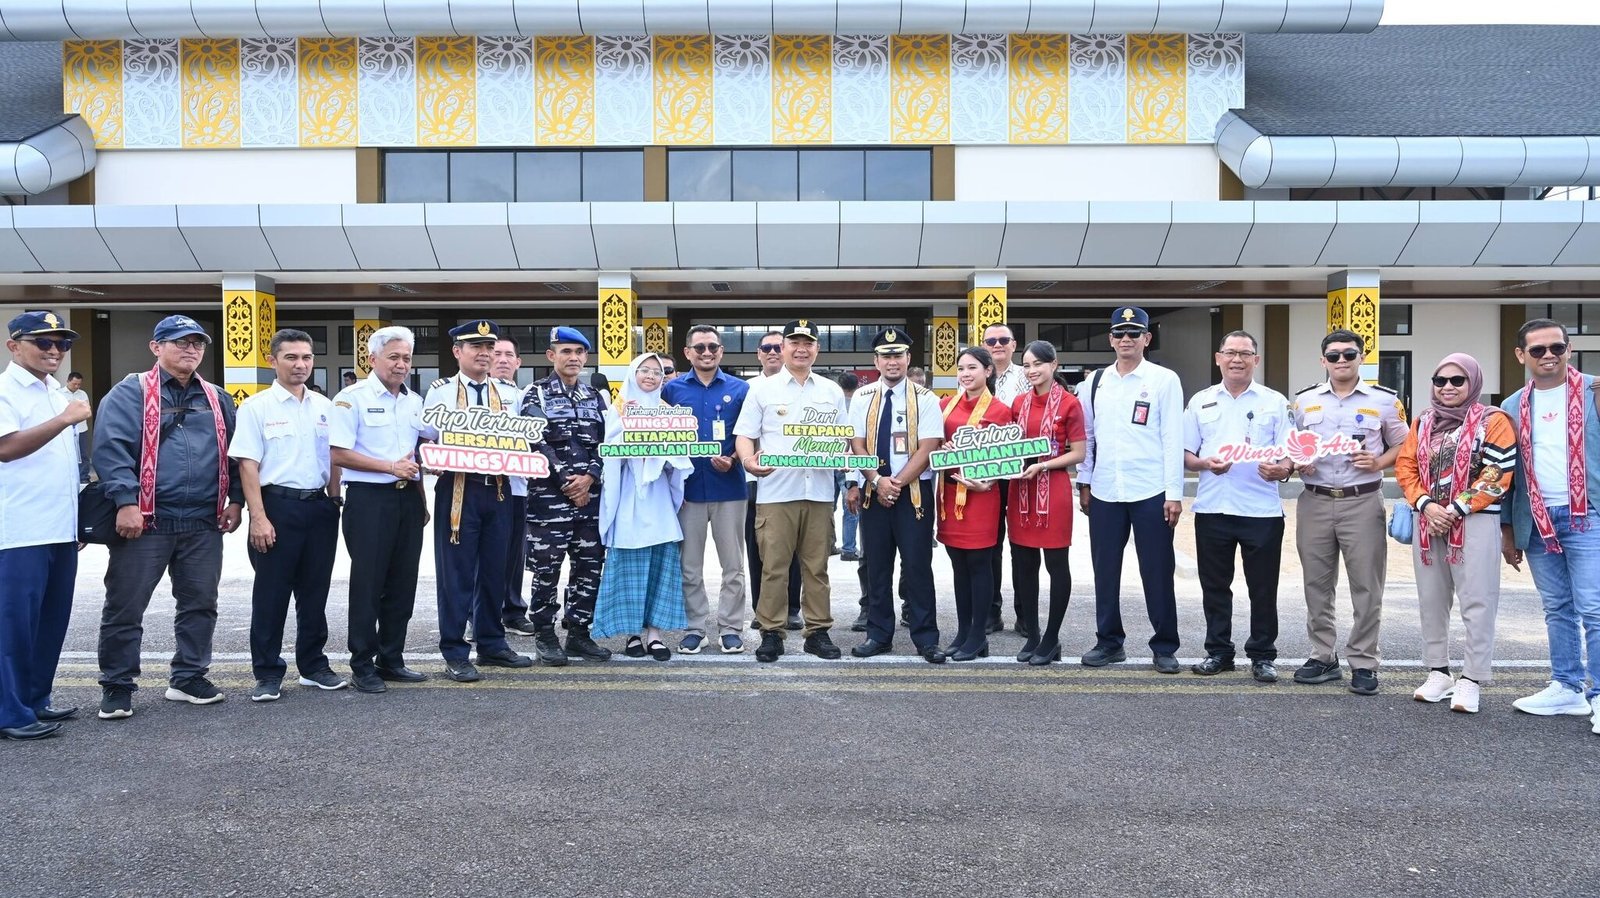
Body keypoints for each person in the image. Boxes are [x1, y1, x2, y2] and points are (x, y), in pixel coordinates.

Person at [92, 315, 244, 719]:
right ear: (156, 347)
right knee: (126, 605)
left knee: (200, 603)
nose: (190, 349)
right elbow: (111, 451)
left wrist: (236, 500)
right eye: (180, 342)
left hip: (202, 522)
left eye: (197, 343)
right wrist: (126, 502)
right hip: (147, 520)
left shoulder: (217, 397)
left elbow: (235, 453)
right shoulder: (130, 393)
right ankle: (117, 685)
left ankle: (188, 676)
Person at [228, 328, 346, 702]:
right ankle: (267, 672)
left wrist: (333, 495)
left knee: (315, 593)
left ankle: (313, 666)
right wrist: (258, 518)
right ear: (273, 360)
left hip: (319, 509)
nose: (300, 365)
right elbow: (248, 466)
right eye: (291, 357)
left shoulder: (326, 407)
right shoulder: (255, 407)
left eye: (307, 358)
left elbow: (335, 456)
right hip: (276, 507)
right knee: (271, 594)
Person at [1290, 328, 1408, 695]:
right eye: (1335, 355)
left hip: (1362, 500)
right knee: (1316, 583)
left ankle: (1363, 660)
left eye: (1350, 354)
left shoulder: (1385, 401)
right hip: (1316, 499)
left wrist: (1378, 463)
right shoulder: (1304, 401)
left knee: (1366, 585)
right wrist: (1299, 462)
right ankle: (1323, 655)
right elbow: (1293, 445)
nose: (1342, 360)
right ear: (1323, 360)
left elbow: (1405, 446)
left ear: (1361, 358)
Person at [1395, 353, 1514, 714]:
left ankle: (1472, 679)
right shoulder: (1424, 422)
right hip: (1428, 521)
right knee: (1431, 599)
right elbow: (1406, 465)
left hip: (1474, 522)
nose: (1447, 387)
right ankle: (1438, 672)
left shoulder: (1494, 422)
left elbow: (1497, 473)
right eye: (1440, 380)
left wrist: (1454, 508)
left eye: (1457, 380)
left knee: (1477, 600)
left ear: (1473, 383)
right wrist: (1427, 505)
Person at [1500, 318, 1600, 731]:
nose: (1548, 356)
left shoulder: (1595, 391)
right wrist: (1508, 529)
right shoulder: (1511, 406)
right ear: (1521, 356)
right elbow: (1507, 473)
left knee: (1593, 607)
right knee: (1557, 608)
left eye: (1556, 348)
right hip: (1537, 519)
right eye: (1538, 350)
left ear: (1569, 349)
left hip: (1587, 514)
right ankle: (1567, 687)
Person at [420, 320, 534, 682]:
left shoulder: (508, 394)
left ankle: (491, 642)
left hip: (499, 490)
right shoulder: (440, 393)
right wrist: (433, 458)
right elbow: (424, 441)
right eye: (476, 348)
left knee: (495, 571)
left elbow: (525, 438)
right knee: (457, 572)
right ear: (457, 352)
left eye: (489, 348)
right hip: (458, 491)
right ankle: (455, 650)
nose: (484, 354)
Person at [1077, 307, 1185, 673]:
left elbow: (1173, 437)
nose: (1126, 339)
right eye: (1120, 333)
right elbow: (1088, 438)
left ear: (1146, 339)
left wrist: (1174, 492)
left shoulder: (1163, 380)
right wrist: (1086, 481)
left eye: (1134, 333)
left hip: (1151, 489)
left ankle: (1165, 645)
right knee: (1105, 570)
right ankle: (1109, 641)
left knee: (1156, 570)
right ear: (1110, 339)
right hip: (1107, 490)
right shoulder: (1094, 383)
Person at [1182, 331, 1293, 683]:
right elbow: (1184, 454)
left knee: (1263, 588)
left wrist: (1283, 469)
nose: (1237, 360)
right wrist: (1204, 464)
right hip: (1213, 508)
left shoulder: (1274, 402)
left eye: (1245, 354)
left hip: (1261, 511)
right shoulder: (1200, 401)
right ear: (1218, 358)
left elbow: (1293, 452)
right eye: (1230, 353)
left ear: (1256, 360)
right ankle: (1218, 651)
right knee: (1215, 586)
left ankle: (1262, 655)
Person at [0, 312, 90, 740]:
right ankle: (8, 712)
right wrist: (64, 420)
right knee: (13, 623)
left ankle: (35, 699)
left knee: (50, 621)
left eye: (62, 344)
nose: (54, 351)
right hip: (18, 529)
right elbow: (6, 449)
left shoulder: (57, 393)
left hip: (58, 527)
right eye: (43, 342)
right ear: (13, 345)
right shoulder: (5, 389)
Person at [735, 319, 848, 662]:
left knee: (817, 567)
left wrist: (842, 453)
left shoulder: (830, 391)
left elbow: (843, 437)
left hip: (819, 493)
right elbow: (744, 435)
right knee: (774, 566)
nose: (801, 348)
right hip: (775, 492)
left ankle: (818, 632)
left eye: (808, 343)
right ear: (782, 347)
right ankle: (771, 632)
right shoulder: (762, 390)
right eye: (794, 342)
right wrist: (748, 462)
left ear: (817, 349)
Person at [330, 326, 430, 694]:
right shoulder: (350, 398)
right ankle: (362, 664)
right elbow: (338, 453)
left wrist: (421, 498)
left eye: (406, 358)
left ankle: (392, 658)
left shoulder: (414, 402)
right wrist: (389, 467)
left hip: (407, 499)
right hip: (369, 501)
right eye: (394, 357)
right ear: (372, 360)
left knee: (402, 584)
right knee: (369, 584)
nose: (401, 364)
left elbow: (420, 452)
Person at [846, 327, 946, 664]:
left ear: (908, 359)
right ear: (876, 360)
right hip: (875, 494)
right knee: (877, 566)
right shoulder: (862, 397)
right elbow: (856, 443)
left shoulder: (925, 398)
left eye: (898, 354)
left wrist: (897, 482)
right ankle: (879, 634)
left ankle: (925, 637)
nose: (892, 361)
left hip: (914, 493)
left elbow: (929, 446)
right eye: (886, 355)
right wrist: (875, 480)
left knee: (917, 566)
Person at [521, 326, 612, 665]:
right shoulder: (536, 393)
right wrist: (567, 481)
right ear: (551, 356)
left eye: (578, 353)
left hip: (589, 499)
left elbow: (608, 442)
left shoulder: (594, 397)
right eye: (565, 352)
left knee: (589, 568)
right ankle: (545, 635)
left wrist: (590, 477)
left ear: (585, 357)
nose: (573, 358)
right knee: (547, 569)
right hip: (549, 500)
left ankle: (578, 633)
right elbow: (535, 440)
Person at [594, 353, 694, 660]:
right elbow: (610, 453)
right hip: (628, 497)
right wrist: (631, 439)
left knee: (660, 568)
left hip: (658, 499)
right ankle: (632, 635)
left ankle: (655, 634)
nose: (651, 376)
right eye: (644, 370)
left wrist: (665, 454)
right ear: (633, 374)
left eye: (657, 372)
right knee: (628, 569)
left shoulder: (667, 411)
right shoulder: (619, 408)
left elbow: (680, 458)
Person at [661, 325, 749, 654]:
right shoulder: (672, 391)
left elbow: (750, 435)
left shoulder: (741, 390)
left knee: (733, 566)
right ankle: (695, 627)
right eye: (699, 348)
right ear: (688, 353)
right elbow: (662, 439)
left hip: (729, 488)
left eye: (713, 346)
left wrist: (734, 459)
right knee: (689, 566)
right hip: (687, 492)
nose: (707, 352)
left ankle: (730, 628)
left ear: (722, 351)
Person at [1009, 341, 1086, 665]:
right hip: (1020, 491)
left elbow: (1079, 452)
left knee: (1056, 566)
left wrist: (1043, 465)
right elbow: (1009, 444)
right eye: (1026, 365)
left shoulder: (1069, 404)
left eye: (1038, 364)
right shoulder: (1017, 403)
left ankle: (1053, 637)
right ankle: (1035, 635)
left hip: (1052, 490)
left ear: (1054, 365)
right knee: (1024, 566)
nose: (1031, 370)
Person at [935, 346, 1015, 660]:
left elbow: (1008, 457)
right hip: (950, 496)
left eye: (972, 368)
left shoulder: (999, 410)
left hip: (982, 496)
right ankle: (963, 630)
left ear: (988, 371)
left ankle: (979, 634)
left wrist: (989, 481)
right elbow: (932, 444)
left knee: (980, 565)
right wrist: (944, 447)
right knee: (958, 566)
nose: (966, 374)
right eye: (961, 369)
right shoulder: (944, 405)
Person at [744, 329, 802, 630]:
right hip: (756, 482)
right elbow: (742, 433)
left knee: (795, 551)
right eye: (767, 347)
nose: (773, 352)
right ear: (758, 353)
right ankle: (761, 609)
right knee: (759, 550)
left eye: (779, 347)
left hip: (798, 482)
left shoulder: (807, 387)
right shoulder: (749, 388)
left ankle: (793, 607)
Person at [490, 336, 536, 636]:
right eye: (497, 354)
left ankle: (513, 610)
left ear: (518, 363)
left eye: (510, 355)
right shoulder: (472, 394)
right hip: (480, 485)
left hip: (517, 487)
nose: (503, 360)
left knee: (513, 554)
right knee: (484, 554)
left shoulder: (525, 396)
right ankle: (479, 613)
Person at [983, 323, 1026, 634]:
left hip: (1022, 472)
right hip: (984, 475)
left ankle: (1024, 614)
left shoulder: (1027, 377)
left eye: (1003, 340)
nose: (997, 345)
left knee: (1022, 545)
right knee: (990, 544)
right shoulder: (971, 377)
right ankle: (990, 612)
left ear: (1014, 344)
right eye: (991, 341)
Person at [836, 372, 861, 562]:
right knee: (850, 506)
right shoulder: (861, 402)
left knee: (827, 506)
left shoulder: (834, 402)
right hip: (851, 460)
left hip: (831, 458)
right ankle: (849, 548)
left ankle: (827, 543)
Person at [62, 370, 90, 483]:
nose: (77, 386)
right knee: (67, 453)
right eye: (74, 384)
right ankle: (66, 477)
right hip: (65, 429)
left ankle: (84, 477)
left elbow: (87, 410)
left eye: (79, 384)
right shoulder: (59, 393)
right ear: (68, 381)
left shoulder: (82, 394)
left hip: (81, 428)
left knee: (83, 454)